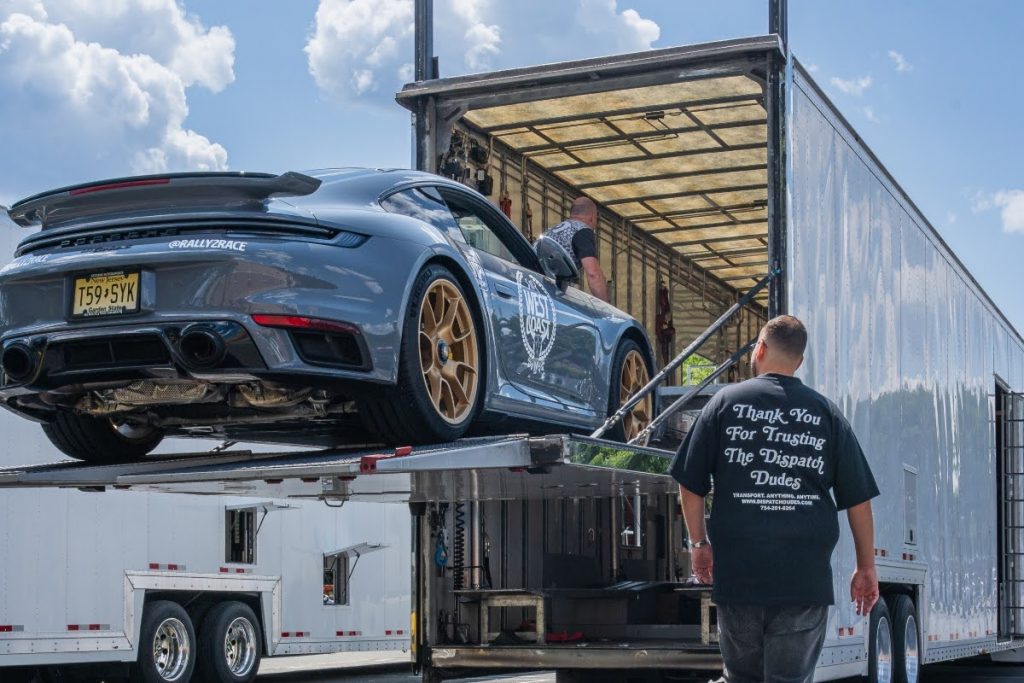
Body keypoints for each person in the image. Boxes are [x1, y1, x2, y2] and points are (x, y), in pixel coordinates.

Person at [668, 315, 879, 683]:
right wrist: (866, 567)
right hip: (803, 581)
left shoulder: (724, 404)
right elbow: (857, 499)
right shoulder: (826, 413)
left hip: (739, 579)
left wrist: (699, 543)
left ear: (760, 349)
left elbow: (690, 483)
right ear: (799, 362)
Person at [544, 196, 609, 302]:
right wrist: (608, 310)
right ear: (592, 217)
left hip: (532, 287)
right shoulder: (582, 230)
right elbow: (593, 273)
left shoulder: (552, 230)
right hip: (548, 293)